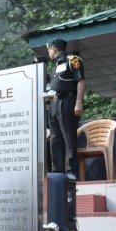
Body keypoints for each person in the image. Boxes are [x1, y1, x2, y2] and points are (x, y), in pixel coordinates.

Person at [46, 38, 86, 178]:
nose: (49, 53)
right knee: (55, 140)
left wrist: (79, 102)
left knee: (69, 139)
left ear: (54, 48)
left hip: (68, 101)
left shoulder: (72, 60)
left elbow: (80, 81)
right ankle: (58, 173)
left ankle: (71, 174)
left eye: (49, 50)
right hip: (54, 103)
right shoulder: (56, 66)